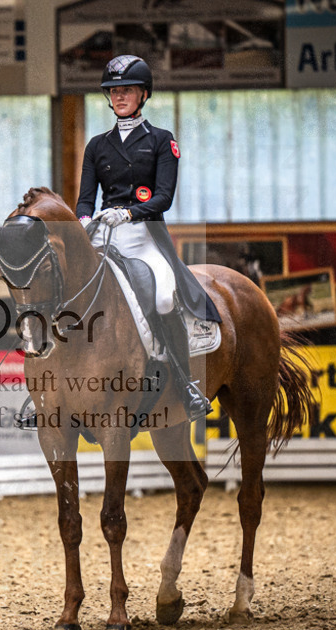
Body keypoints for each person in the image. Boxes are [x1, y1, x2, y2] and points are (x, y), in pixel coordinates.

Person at [75, 55, 221, 421]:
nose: (120, 96)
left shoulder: (161, 141)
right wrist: (85, 221)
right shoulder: (97, 145)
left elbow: (163, 197)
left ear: (143, 94)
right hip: (105, 236)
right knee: (72, 290)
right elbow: (84, 199)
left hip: (145, 235)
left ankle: (186, 383)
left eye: (127, 90)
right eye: (114, 91)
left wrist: (127, 212)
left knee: (163, 298)